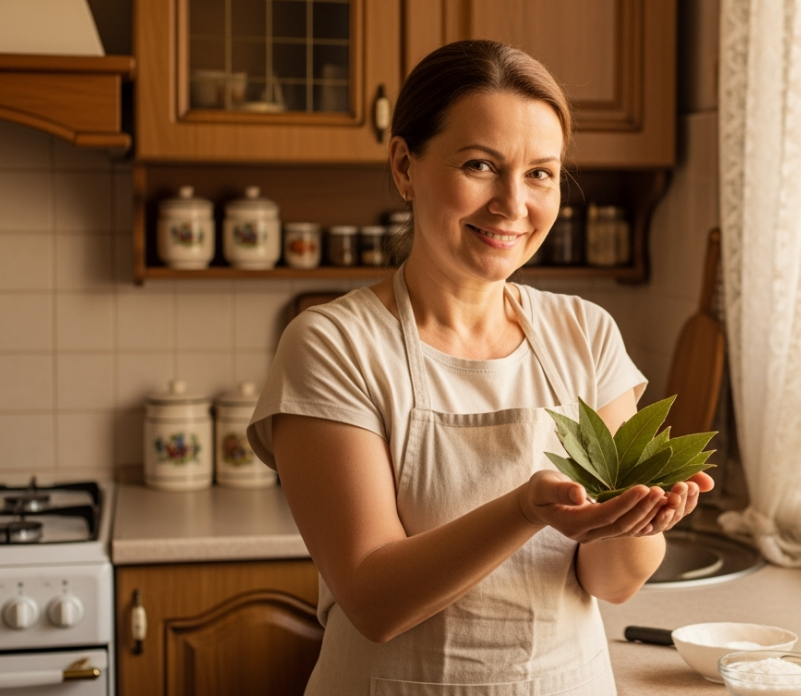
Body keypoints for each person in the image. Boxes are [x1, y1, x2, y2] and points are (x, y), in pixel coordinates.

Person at [246, 40, 713, 695]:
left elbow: (612, 582)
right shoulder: (334, 344)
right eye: (480, 165)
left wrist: (639, 520)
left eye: (540, 173)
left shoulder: (584, 334)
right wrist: (524, 509)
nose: (513, 204)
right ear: (405, 166)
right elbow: (374, 602)